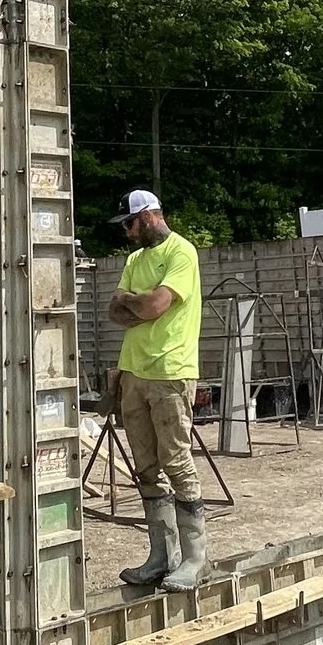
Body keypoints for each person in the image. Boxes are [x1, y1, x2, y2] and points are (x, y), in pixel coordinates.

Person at [107, 188, 209, 592]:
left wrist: (139, 304)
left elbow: (151, 308)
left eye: (129, 224)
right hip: (134, 371)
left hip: (171, 371)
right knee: (147, 467)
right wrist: (140, 302)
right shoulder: (135, 259)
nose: (127, 233)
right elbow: (117, 310)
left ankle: (195, 559)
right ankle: (161, 557)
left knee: (177, 461)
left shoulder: (181, 253)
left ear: (148, 216)